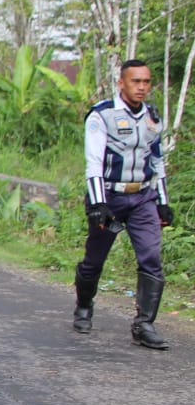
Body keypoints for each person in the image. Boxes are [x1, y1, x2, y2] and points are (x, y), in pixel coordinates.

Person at [72, 59, 175, 351]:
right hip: (110, 196)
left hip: (143, 196)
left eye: (146, 82)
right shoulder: (101, 115)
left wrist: (163, 202)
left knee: (151, 257)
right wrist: (98, 203)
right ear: (121, 83)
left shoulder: (152, 117)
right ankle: (83, 306)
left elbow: (157, 161)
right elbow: (93, 162)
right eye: (135, 81)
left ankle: (144, 324)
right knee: (94, 259)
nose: (141, 87)